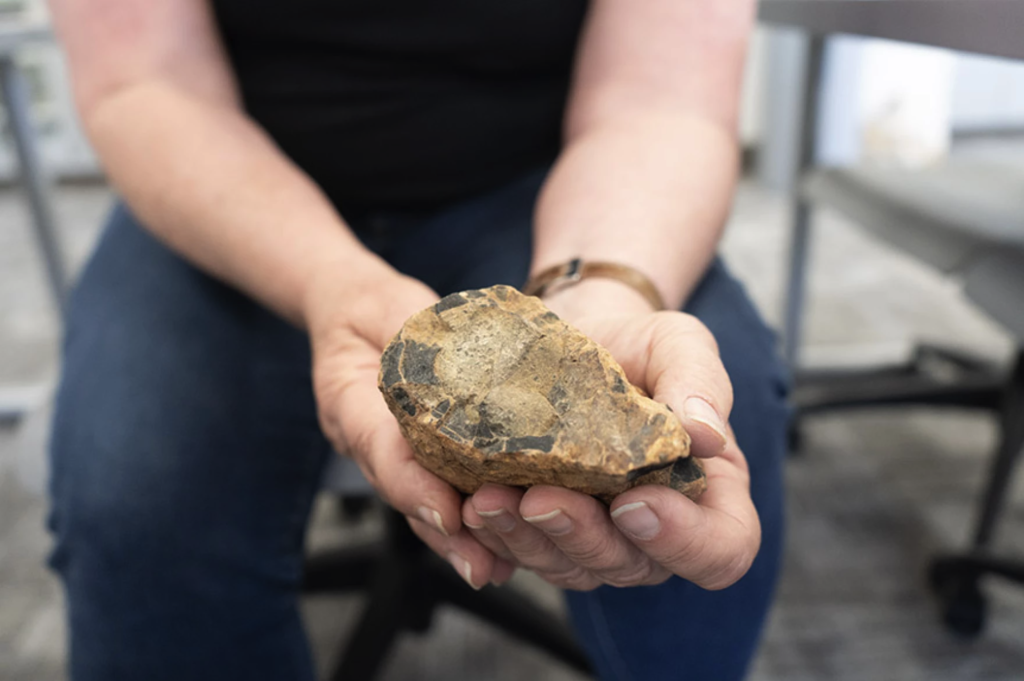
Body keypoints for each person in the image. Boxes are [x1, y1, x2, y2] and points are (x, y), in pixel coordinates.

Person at [46, 0, 788, 679]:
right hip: (220, 181)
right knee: (133, 492)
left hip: (549, 175)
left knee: (721, 426)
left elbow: (660, 98)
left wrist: (599, 288)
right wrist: (327, 278)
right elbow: (144, 83)